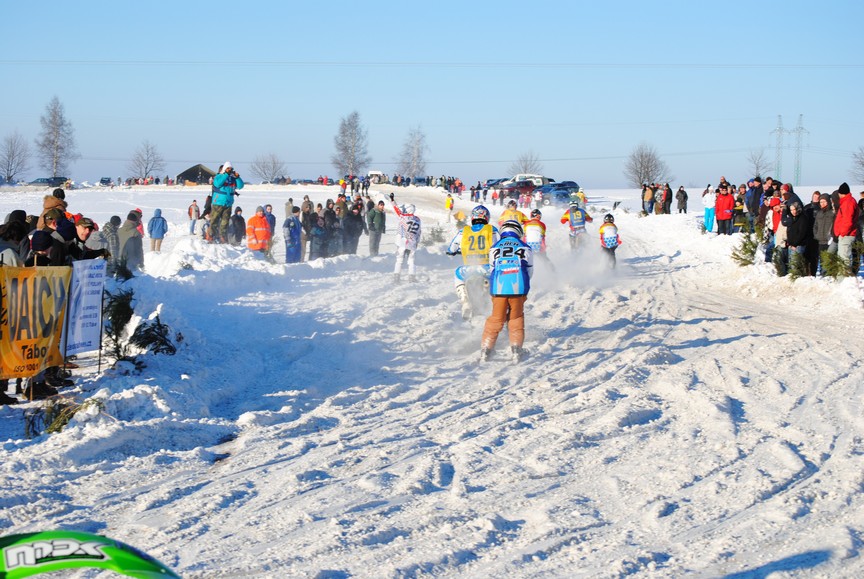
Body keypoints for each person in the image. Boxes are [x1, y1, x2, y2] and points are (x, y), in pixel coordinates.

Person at [480, 220, 533, 362]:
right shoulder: (525, 247)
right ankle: (516, 350)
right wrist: (525, 289)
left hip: (498, 286)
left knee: (496, 319)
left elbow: (492, 269)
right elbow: (529, 270)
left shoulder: (494, 247)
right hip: (518, 287)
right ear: (518, 231)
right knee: (516, 318)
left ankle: (486, 350)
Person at [446, 205, 500, 319]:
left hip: (469, 269)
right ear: (487, 217)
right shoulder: (492, 229)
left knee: (458, 274)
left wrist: (452, 252)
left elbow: (452, 248)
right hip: (488, 269)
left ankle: (464, 300)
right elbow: (500, 245)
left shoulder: (464, 231)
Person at [211, 161, 244, 243]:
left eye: (231, 169)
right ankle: (211, 236)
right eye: (228, 168)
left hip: (228, 203)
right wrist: (225, 174)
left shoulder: (232, 178)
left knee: (225, 222)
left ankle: (223, 237)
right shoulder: (219, 176)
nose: (230, 170)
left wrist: (237, 178)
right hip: (218, 202)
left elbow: (240, 186)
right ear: (225, 169)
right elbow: (218, 184)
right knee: (214, 220)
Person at [392, 200, 421, 282]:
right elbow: (419, 232)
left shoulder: (402, 217)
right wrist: (417, 242)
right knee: (411, 260)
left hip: (402, 242)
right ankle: (412, 277)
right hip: (413, 242)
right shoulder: (418, 220)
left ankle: (396, 276)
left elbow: (397, 210)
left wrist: (392, 201)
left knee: (399, 259)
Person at [833, 182, 860, 272]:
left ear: (841, 193)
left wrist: (842, 233)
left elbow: (848, 220)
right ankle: (842, 279)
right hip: (846, 234)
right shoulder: (847, 202)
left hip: (846, 235)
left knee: (844, 259)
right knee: (842, 258)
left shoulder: (848, 203)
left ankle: (844, 279)